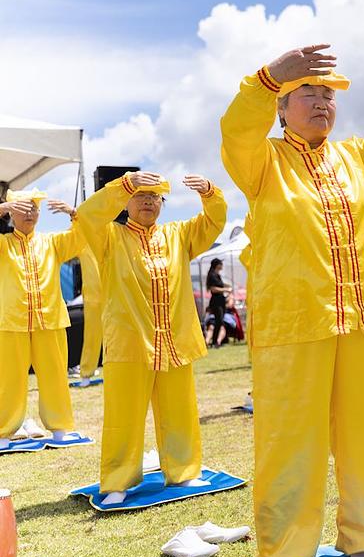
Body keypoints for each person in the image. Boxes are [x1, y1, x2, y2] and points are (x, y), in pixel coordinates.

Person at [220, 44, 364, 557]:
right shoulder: (261, 159)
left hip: (357, 316)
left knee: (363, 436)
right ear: (281, 106)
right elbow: (235, 128)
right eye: (308, 93)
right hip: (294, 322)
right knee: (290, 443)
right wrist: (269, 77)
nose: (321, 102)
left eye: (328, 95)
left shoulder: (353, 158)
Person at [76, 172, 226, 505]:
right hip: (130, 342)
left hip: (174, 341)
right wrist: (123, 184)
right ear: (125, 202)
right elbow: (86, 214)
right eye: (140, 195)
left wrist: (211, 194)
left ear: (162, 203)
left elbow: (214, 221)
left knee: (180, 411)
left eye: (154, 196)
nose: (147, 201)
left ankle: (184, 471)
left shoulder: (178, 234)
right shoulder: (108, 237)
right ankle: (117, 480)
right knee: (123, 417)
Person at [0, 190, 85, 450]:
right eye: (23, 209)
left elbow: (82, 238)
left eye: (34, 209)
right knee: (9, 379)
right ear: (11, 213)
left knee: (56, 376)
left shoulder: (52, 242)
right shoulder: (3, 245)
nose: (29, 214)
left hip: (50, 319)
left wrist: (74, 214)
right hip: (11, 321)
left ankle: (60, 429)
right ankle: (3, 432)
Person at [77, 245, 103, 387]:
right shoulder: (81, 239)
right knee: (92, 335)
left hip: (115, 294)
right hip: (93, 298)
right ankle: (86, 373)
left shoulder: (110, 232)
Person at [204, 258, 231, 348]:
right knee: (218, 321)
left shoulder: (217, 275)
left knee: (220, 321)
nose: (222, 266)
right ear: (217, 265)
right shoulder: (212, 275)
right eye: (220, 264)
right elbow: (213, 289)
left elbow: (220, 284)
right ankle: (214, 341)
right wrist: (226, 289)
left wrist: (229, 286)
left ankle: (216, 341)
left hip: (221, 300)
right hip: (216, 302)